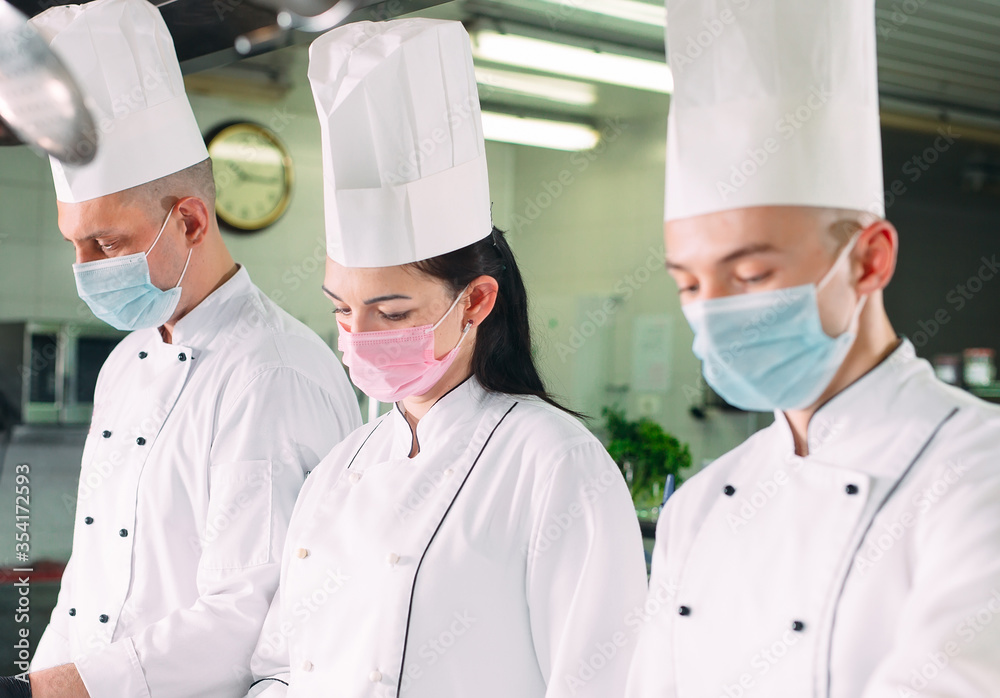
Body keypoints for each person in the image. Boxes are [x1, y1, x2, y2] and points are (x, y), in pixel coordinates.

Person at [245, 18, 648, 698]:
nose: (360, 333)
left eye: (394, 312)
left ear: (476, 301)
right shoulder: (340, 471)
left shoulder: (552, 462)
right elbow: (282, 670)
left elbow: (600, 681)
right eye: (342, 309)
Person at [626, 1, 1000, 696]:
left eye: (751, 275)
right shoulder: (700, 506)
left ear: (869, 261)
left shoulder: (978, 472)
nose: (714, 311)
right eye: (688, 283)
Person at [12, 1, 362, 696]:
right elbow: (89, 579)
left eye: (105, 243)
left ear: (192, 221)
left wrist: (59, 691)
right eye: (74, 244)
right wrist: (36, 679)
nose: (84, 268)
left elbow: (254, 616)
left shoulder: (273, 375)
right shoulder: (126, 363)